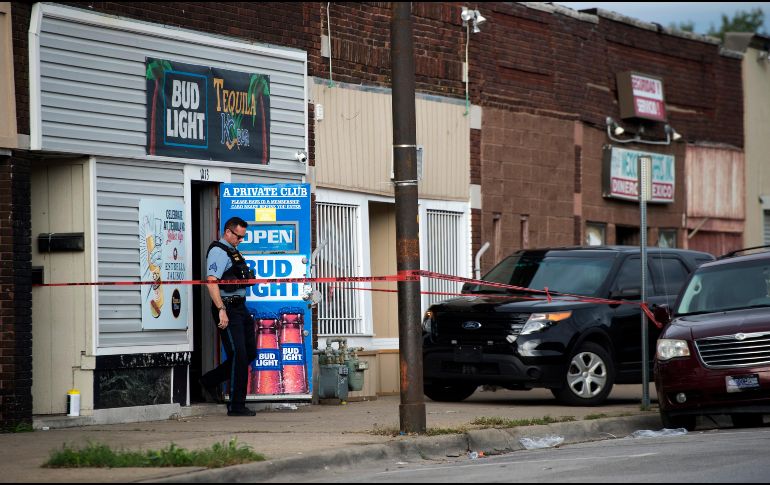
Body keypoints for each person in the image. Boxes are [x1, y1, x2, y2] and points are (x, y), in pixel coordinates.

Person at [199, 216, 257, 416]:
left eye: (243, 237)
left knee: (249, 353)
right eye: (238, 236)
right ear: (228, 232)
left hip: (240, 308)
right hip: (227, 308)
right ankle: (236, 405)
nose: (240, 240)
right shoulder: (218, 251)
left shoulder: (234, 252)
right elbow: (212, 281)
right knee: (239, 355)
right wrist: (221, 309)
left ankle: (208, 381)